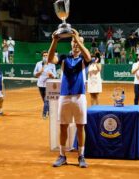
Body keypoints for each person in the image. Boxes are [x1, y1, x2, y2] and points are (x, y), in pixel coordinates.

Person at [47, 29, 91, 168]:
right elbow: (50, 59)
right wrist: (55, 40)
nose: (76, 44)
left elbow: (89, 57)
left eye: (78, 42)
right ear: (70, 43)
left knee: (80, 126)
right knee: (63, 127)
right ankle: (62, 155)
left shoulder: (84, 59)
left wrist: (77, 38)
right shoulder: (64, 57)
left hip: (79, 97)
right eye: (73, 41)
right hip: (64, 96)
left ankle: (81, 156)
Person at [33, 51, 56, 119]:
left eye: (46, 55)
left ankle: (44, 114)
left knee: (46, 100)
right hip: (40, 85)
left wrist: (51, 75)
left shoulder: (52, 65)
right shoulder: (38, 64)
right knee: (44, 100)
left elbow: (54, 76)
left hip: (49, 85)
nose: (45, 57)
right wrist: (40, 72)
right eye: (44, 55)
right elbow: (34, 74)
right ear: (42, 56)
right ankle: (49, 110)